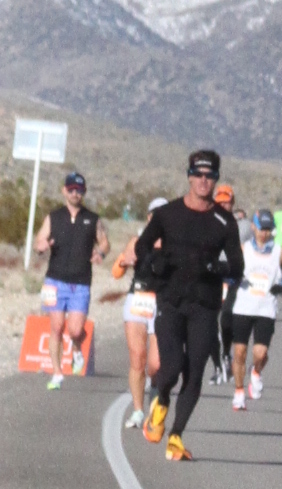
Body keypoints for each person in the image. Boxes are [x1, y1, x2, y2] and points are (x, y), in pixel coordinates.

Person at [132, 153, 245, 458]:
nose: (204, 181)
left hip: (205, 306)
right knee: (170, 368)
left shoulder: (224, 221)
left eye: (210, 176)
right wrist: (153, 260)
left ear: (216, 179)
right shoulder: (167, 213)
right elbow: (142, 245)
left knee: (194, 373)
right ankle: (161, 401)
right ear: (189, 176)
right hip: (170, 301)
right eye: (198, 174)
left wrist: (215, 267)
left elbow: (237, 267)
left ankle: (176, 436)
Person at [32, 169, 107, 385]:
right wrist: (41, 246)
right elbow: (38, 241)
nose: (75, 193)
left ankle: (76, 348)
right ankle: (57, 372)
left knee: (75, 329)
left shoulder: (92, 219)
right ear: (64, 191)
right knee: (56, 327)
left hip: (80, 283)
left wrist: (100, 253)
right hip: (54, 281)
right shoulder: (54, 217)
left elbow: (104, 242)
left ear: (84, 192)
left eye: (79, 190)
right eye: (72, 189)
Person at [228, 210, 282, 406]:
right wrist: (232, 279)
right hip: (243, 307)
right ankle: (239, 392)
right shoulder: (243, 249)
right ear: (253, 227)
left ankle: (256, 371)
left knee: (261, 353)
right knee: (239, 352)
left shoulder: (280, 251)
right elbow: (231, 271)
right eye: (260, 229)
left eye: (267, 229)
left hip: (266, 308)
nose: (264, 233)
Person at [110, 199, 167, 423]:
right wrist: (124, 261)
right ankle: (137, 410)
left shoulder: (175, 243)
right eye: (155, 213)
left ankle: (155, 391)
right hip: (137, 299)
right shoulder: (137, 241)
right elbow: (116, 272)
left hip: (161, 303)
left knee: (156, 364)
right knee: (137, 358)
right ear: (149, 217)